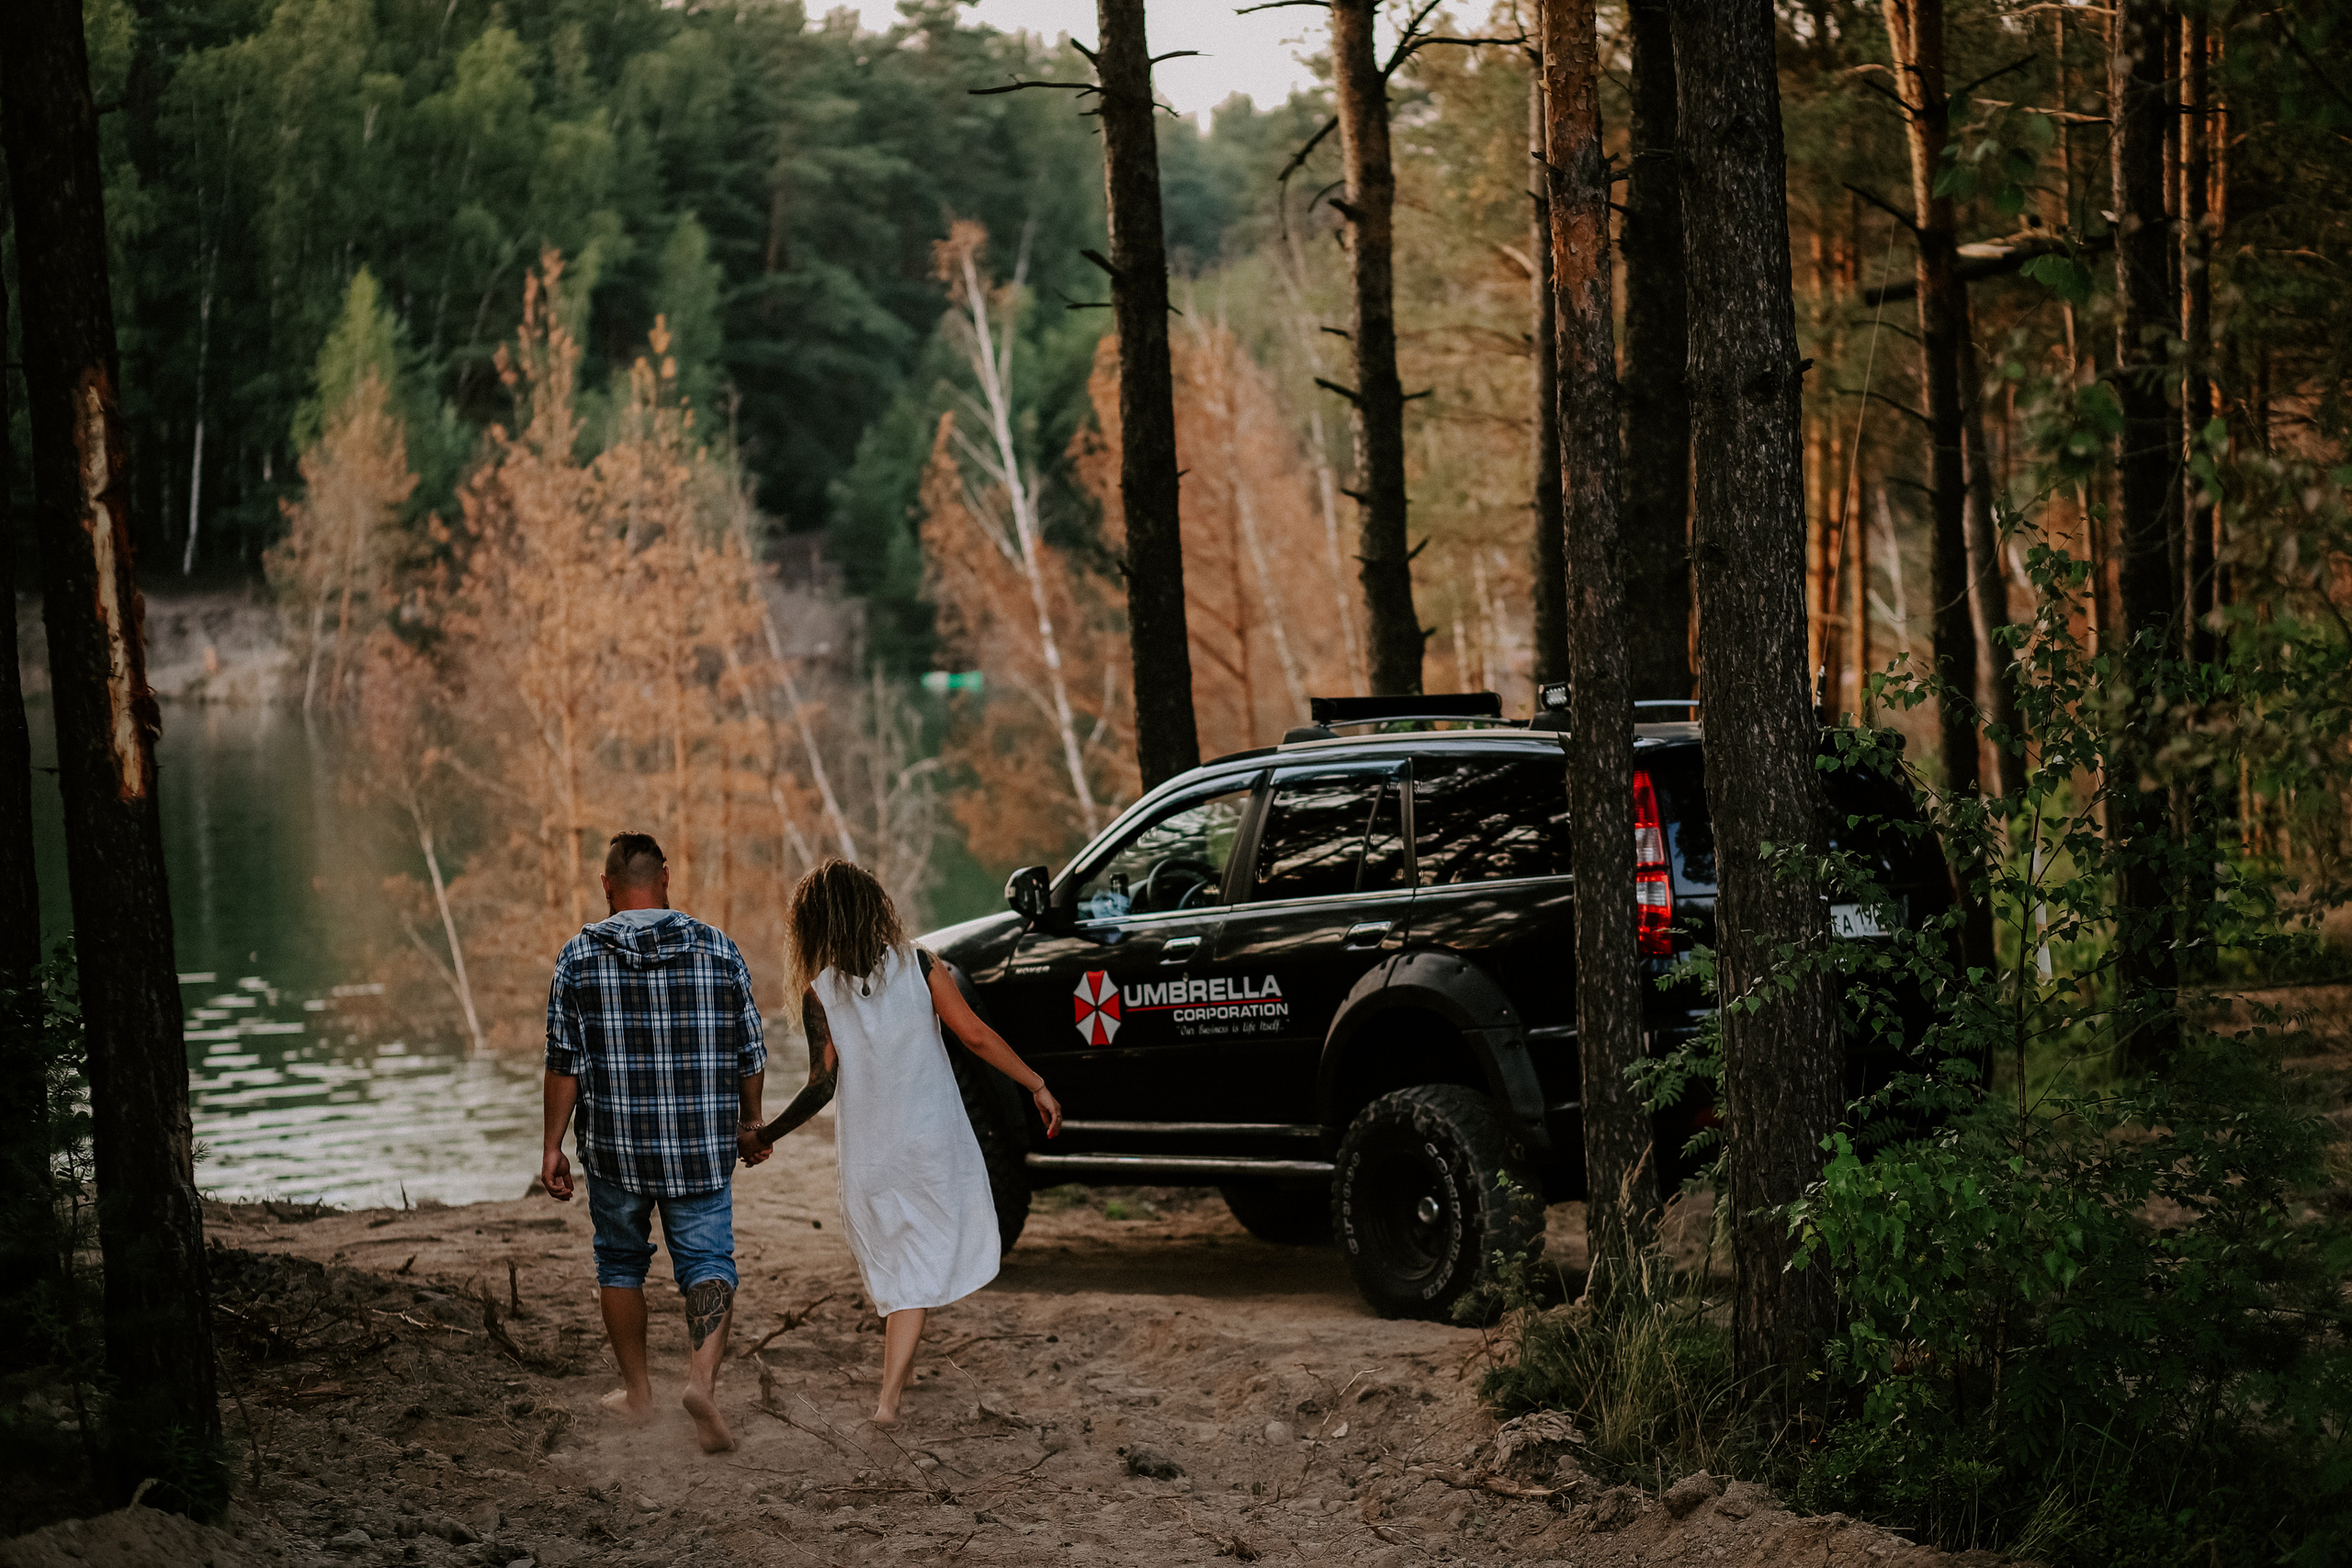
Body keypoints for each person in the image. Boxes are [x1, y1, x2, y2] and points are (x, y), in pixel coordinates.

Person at [751, 859, 1062, 1426]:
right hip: (932, 1144)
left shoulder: (821, 993)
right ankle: (889, 1402)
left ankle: (894, 1388)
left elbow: (820, 1087)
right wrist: (1036, 1084)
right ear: (875, 907)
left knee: (899, 1265)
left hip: (871, 1155)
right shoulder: (920, 966)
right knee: (911, 1267)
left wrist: (766, 1135)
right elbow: (975, 1037)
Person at [540, 831, 770, 1454]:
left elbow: (565, 1063)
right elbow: (751, 1053)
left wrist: (551, 1146)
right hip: (698, 1147)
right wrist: (750, 1121)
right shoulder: (718, 949)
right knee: (708, 1263)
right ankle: (700, 1383)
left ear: (608, 887)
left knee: (619, 1261)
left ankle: (640, 1394)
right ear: (665, 878)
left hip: (616, 1149)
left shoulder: (577, 958)